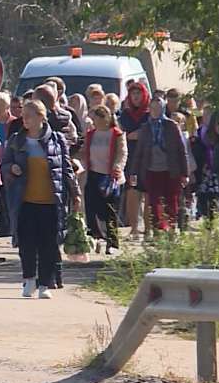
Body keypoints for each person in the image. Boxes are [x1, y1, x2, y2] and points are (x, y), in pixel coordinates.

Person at [2, 100, 80, 299]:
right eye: (23, 116)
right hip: (25, 201)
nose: (25, 120)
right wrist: (11, 168)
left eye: (29, 115)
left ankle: (45, 284)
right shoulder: (16, 141)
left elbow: (66, 169)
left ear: (41, 116)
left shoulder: (57, 140)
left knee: (49, 244)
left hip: (51, 201)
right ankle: (28, 280)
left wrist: (75, 193)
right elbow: (4, 165)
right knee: (27, 243)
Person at [127, 97, 189, 235]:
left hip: (170, 169)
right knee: (154, 202)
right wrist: (133, 173)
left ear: (163, 108)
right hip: (151, 169)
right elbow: (139, 152)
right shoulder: (145, 128)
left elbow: (181, 150)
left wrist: (185, 173)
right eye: (153, 108)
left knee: (171, 200)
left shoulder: (172, 126)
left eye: (158, 108)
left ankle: (171, 228)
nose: (155, 111)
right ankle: (158, 230)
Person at [80, 105, 126, 254]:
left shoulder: (117, 134)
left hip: (109, 177)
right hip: (93, 175)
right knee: (92, 208)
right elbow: (83, 152)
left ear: (104, 118)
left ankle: (112, 242)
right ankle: (96, 237)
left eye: (95, 117)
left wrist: (118, 167)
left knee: (109, 211)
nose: (93, 120)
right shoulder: (91, 134)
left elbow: (122, 153)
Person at [119, 82, 151, 240]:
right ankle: (134, 229)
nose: (136, 96)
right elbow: (123, 134)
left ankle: (149, 229)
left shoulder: (150, 113)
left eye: (138, 93)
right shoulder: (125, 115)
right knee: (132, 192)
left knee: (148, 193)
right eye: (133, 94)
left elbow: (148, 133)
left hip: (148, 159)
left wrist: (139, 133)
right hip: (131, 160)